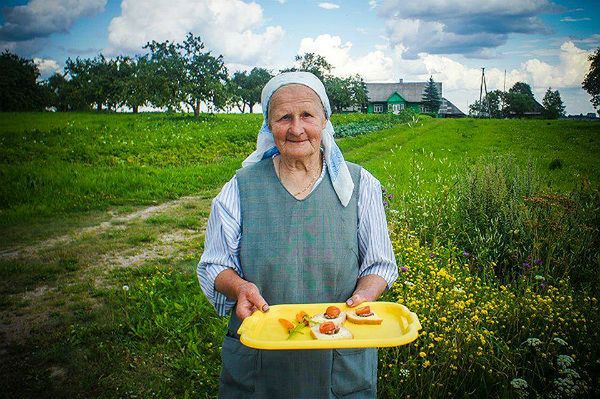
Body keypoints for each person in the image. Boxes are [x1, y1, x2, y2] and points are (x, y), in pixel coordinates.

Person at [197, 71, 398, 398]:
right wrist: (239, 287)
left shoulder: (362, 186)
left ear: (325, 120)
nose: (296, 128)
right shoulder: (240, 188)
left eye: (307, 115)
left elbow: (380, 265)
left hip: (339, 355)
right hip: (260, 359)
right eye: (283, 117)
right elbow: (214, 264)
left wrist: (362, 298)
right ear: (268, 125)